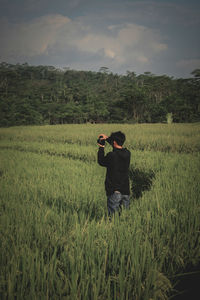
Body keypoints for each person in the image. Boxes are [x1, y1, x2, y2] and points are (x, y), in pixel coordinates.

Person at [97, 131, 131, 218]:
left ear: (114, 142)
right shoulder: (127, 154)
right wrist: (108, 138)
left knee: (113, 220)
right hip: (126, 191)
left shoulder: (112, 155)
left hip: (114, 192)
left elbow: (101, 161)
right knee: (124, 218)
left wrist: (101, 147)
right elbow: (117, 146)